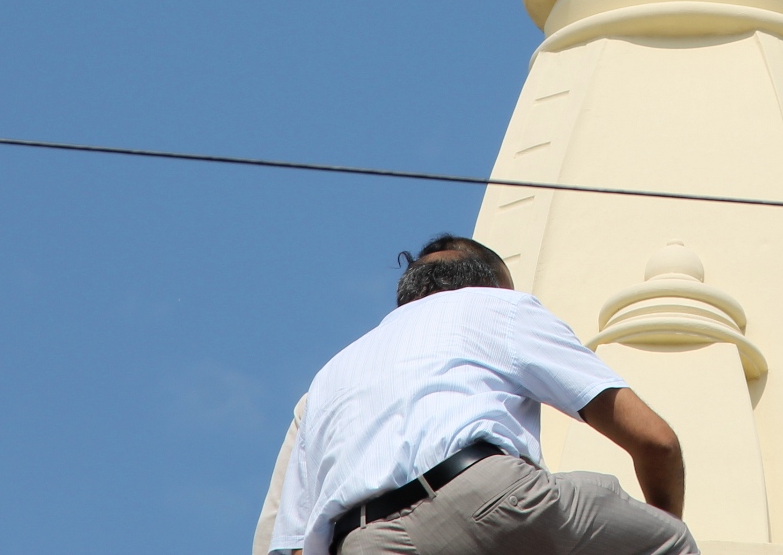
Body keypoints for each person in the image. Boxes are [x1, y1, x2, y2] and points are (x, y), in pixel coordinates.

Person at [265, 235, 697, 555]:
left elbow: (294, 542)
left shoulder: (327, 379)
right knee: (670, 542)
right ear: (492, 286)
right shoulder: (497, 307)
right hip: (485, 500)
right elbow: (656, 441)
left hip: (363, 542)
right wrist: (661, 523)